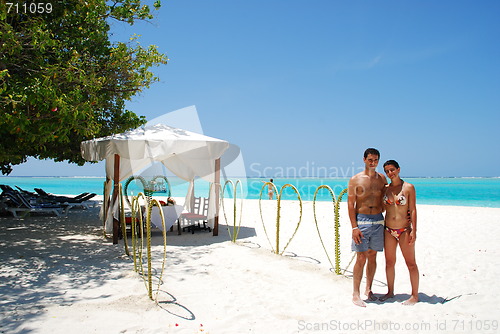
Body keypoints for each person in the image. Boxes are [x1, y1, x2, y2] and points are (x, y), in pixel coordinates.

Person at [348, 148, 387, 307]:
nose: (373, 163)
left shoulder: (382, 178)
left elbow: (387, 198)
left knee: (372, 256)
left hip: (378, 220)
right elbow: (351, 204)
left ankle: (368, 289)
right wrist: (354, 227)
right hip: (362, 220)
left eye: (376, 160)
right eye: (370, 160)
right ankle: (355, 293)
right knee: (361, 257)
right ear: (364, 159)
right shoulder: (355, 179)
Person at [379, 160, 419, 305]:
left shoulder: (409, 187)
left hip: (404, 230)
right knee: (389, 263)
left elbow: (413, 209)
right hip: (388, 230)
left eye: (392, 170)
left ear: (398, 169)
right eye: (387, 171)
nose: (390, 173)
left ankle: (414, 295)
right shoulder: (386, 189)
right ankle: (390, 292)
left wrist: (414, 229)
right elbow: (383, 209)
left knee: (411, 263)